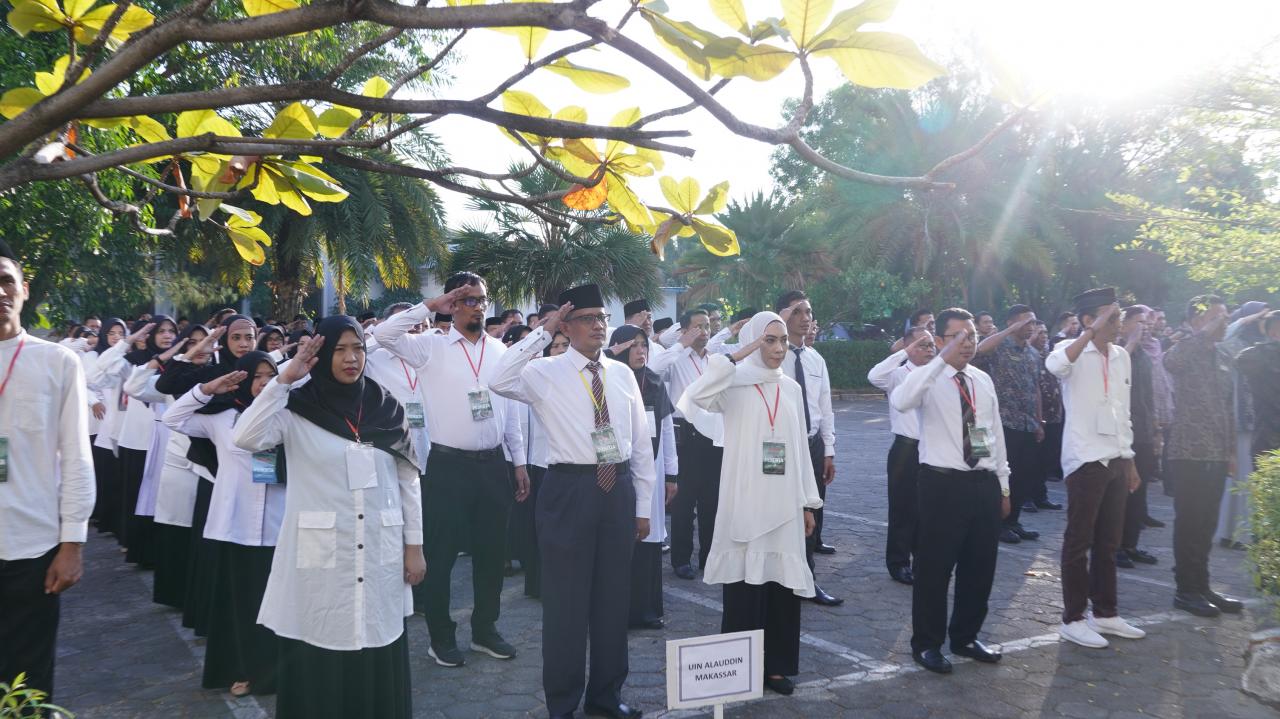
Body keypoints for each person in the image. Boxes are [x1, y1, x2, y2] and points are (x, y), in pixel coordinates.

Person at [232, 318, 425, 719]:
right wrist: (284, 378)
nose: (351, 358)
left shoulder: (386, 406)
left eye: (357, 348)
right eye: (339, 349)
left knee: (376, 640)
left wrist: (415, 546)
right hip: (321, 555)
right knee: (320, 643)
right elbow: (245, 437)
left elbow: (408, 479)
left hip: (380, 549)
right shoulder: (296, 407)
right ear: (320, 355)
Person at [490, 284, 655, 719]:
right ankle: (562, 703)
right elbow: (498, 378)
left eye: (602, 317)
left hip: (615, 490)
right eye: (587, 318)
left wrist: (642, 507)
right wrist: (541, 332)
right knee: (565, 604)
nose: (598, 325)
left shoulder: (620, 374)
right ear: (567, 324)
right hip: (568, 491)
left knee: (612, 599)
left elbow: (640, 443)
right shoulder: (545, 372)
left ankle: (606, 695)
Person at [371, 272, 528, 668]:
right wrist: (429, 306)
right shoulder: (430, 347)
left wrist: (519, 462)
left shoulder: (498, 350)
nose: (478, 306)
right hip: (446, 465)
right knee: (439, 557)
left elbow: (509, 413)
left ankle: (485, 629)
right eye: (469, 299)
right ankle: (441, 636)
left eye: (482, 299)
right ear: (453, 304)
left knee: (491, 554)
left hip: (493, 464)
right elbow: (386, 335)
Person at [679, 311, 822, 696]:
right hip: (745, 497)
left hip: (785, 500)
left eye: (782, 342)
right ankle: (737, 670)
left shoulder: (790, 388)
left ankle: (776, 667)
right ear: (756, 341)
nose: (777, 349)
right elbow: (693, 398)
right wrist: (738, 355)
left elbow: (800, 450)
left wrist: (808, 503)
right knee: (745, 586)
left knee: (780, 584)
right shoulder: (735, 382)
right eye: (768, 340)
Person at [0, 240, 95, 702]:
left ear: (23, 289)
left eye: (5, 280)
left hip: (32, 549)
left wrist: (72, 544)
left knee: (28, 684)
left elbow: (77, 457)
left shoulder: (57, 362)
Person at [890, 308, 1008, 674]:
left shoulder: (981, 381)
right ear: (939, 340)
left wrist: (1003, 484)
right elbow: (902, 400)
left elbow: (994, 434)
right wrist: (937, 361)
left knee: (980, 567)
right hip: (942, 485)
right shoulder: (925, 377)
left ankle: (966, 636)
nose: (968, 342)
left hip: (983, 483)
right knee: (934, 569)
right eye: (958, 336)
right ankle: (926, 643)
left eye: (971, 335)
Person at [164, 351, 285, 696]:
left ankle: (277, 672)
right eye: (257, 376)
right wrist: (207, 388)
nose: (263, 383)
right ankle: (244, 669)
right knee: (242, 607)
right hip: (235, 526)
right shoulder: (222, 417)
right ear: (243, 378)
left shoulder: (289, 413)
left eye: (269, 375)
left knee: (275, 605)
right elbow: (173, 419)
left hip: (280, 525)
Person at [1047, 288, 1146, 649]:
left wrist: (1129, 458)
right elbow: (1055, 368)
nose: (1119, 325)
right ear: (1089, 320)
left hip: (1116, 458)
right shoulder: (1069, 351)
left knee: (1108, 542)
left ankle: (1106, 614)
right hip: (1085, 458)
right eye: (1111, 318)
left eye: (1119, 318)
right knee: (1078, 541)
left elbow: (1123, 410)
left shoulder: (1121, 356)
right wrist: (1087, 334)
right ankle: (1073, 619)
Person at [1163, 295, 1244, 617]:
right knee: (1190, 523)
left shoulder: (1222, 355)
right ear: (1197, 321)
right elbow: (1171, 362)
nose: (1224, 322)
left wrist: (1231, 451)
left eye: (1226, 316)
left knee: (1207, 524)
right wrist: (1201, 332)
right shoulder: (1185, 348)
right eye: (1217, 317)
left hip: (1216, 452)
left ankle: (1202, 584)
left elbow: (1227, 407)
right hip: (1189, 452)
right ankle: (1186, 590)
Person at [607, 326, 678, 631]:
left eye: (643, 345)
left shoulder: (655, 382)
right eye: (632, 345)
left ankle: (646, 610)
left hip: (653, 470)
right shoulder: (607, 381)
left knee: (649, 539)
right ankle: (614, 611)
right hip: (616, 471)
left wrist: (672, 474)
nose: (640, 350)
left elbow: (667, 431)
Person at [775, 291, 841, 606]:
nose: (805, 317)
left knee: (811, 512)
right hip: (779, 446)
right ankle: (777, 578)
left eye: (809, 311)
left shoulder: (816, 359)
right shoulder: (770, 355)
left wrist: (828, 450)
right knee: (779, 511)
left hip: (811, 444)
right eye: (797, 311)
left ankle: (807, 579)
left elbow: (824, 408)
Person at [653, 307, 724, 581]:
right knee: (684, 501)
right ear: (684, 330)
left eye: (707, 326)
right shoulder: (675, 359)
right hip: (685, 434)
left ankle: (709, 556)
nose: (704, 332)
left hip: (713, 434)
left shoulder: (715, 359)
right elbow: (653, 369)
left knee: (712, 501)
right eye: (697, 326)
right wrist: (681, 344)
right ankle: (681, 559)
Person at [974, 304, 1050, 545]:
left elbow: (1035, 387)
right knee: (999, 475)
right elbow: (980, 349)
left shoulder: (1033, 354)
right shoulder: (999, 346)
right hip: (1001, 422)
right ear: (1011, 323)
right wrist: (1009, 331)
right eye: (1026, 322)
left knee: (1023, 477)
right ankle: (996, 523)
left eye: (1034, 322)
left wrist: (1039, 421)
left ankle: (1013, 521)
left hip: (1026, 423)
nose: (1032, 327)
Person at [149, 324, 212, 609]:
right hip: (178, 462)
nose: (201, 347)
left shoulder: (221, 374)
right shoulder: (178, 376)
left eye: (206, 342)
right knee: (176, 529)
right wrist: (183, 356)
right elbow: (154, 385)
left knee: (200, 532)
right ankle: (174, 594)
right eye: (194, 343)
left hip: (209, 466)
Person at [867, 326, 935, 585]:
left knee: (928, 510)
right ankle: (898, 563)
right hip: (906, 450)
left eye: (931, 345)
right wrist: (903, 352)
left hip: (933, 450)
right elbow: (874, 375)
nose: (928, 350)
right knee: (903, 509)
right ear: (908, 348)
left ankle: (923, 560)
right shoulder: (897, 375)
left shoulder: (938, 374)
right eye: (922, 345)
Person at [1114, 307, 1159, 569]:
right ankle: (1115, 545)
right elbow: (1115, 370)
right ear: (1125, 324)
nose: (1146, 327)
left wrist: (1156, 431)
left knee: (1138, 493)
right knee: (1120, 493)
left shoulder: (1144, 355)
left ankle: (1131, 544)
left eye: (1148, 323)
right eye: (1140, 322)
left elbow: (1149, 397)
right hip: (1120, 432)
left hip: (1141, 430)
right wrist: (1130, 343)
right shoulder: (1116, 351)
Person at [83, 317, 127, 536]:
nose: (116, 337)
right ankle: (102, 515)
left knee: (117, 475)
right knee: (103, 472)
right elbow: (85, 382)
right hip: (99, 421)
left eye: (120, 333)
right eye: (111, 333)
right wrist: (94, 401)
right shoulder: (94, 356)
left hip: (120, 421)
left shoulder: (126, 358)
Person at [1237, 311, 1280, 456]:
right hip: (1268, 438)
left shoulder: (1256, 354)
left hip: (1264, 440)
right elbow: (1239, 361)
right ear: (1274, 333)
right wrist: (1272, 346)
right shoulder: (1257, 355)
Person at [1030, 320, 1065, 499]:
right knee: (1032, 460)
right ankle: (1027, 498)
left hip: (1053, 415)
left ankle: (1040, 495)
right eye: (1038, 333)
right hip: (1036, 417)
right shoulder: (1028, 356)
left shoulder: (1050, 355)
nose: (1043, 336)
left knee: (1046, 458)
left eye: (1044, 332)